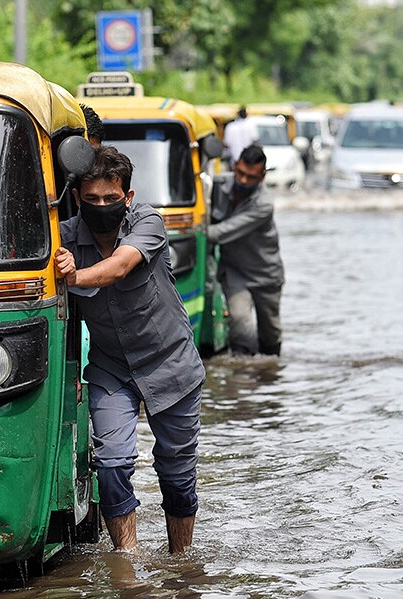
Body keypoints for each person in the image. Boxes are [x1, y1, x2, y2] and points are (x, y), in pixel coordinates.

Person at [54, 145, 204, 554]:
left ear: (128, 198)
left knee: (176, 472)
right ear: (79, 199)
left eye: (110, 199)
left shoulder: (148, 222)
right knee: (112, 463)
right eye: (92, 199)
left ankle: (180, 561)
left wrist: (75, 275)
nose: (101, 206)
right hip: (111, 368)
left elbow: (120, 266)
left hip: (170, 364)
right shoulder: (62, 238)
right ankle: (127, 560)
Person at [207, 144, 283, 356]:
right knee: (241, 328)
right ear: (234, 165)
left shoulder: (264, 204)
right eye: (240, 173)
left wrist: (193, 231)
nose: (243, 180)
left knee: (271, 335)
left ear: (262, 177)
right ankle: (242, 381)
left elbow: (221, 232)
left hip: (265, 275)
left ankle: (269, 377)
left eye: (250, 177)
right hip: (235, 271)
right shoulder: (218, 186)